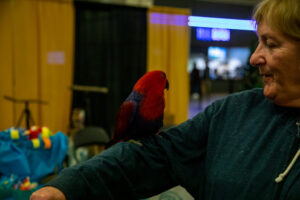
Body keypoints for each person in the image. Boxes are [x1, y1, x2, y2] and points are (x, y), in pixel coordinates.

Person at [31, 0, 300, 199]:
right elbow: (157, 153)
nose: (254, 58)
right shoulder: (231, 112)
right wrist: (68, 185)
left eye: (271, 44)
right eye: (258, 42)